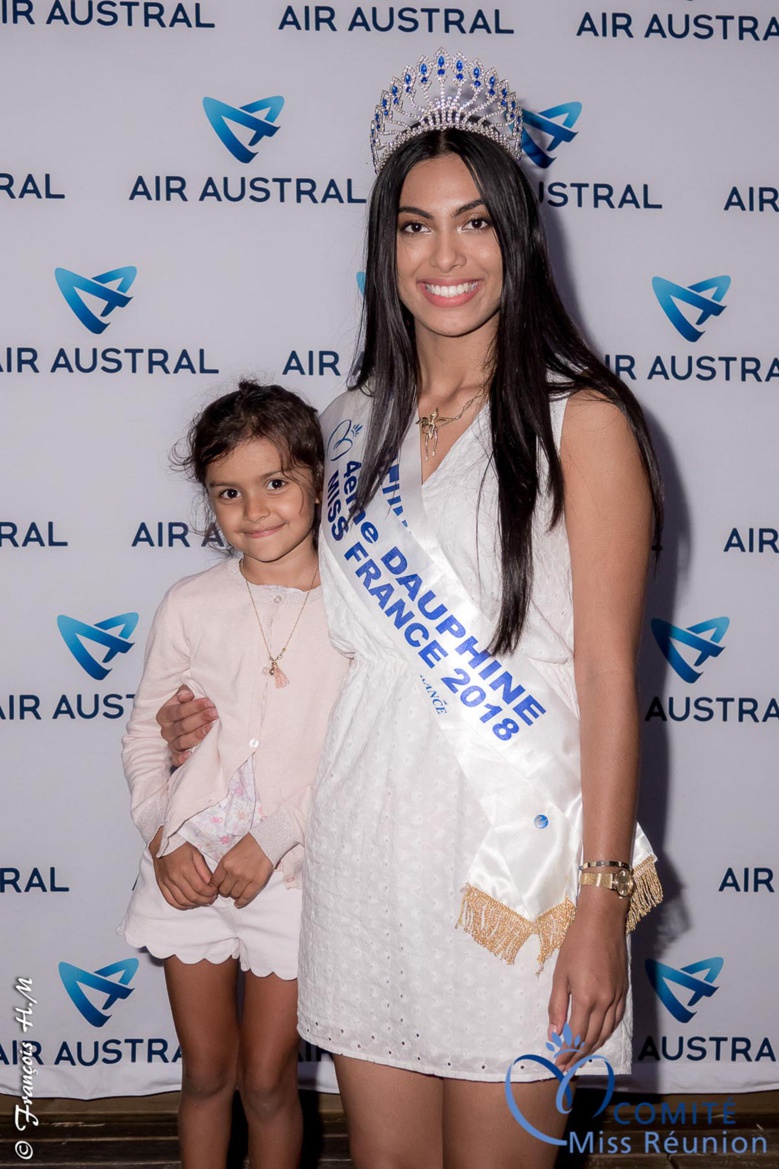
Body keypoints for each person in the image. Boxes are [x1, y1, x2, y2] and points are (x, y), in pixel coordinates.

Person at [159, 52, 663, 1169]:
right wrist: (204, 719)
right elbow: (311, 630)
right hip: (366, 850)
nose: (445, 256)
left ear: (517, 240)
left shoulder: (579, 422)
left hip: (512, 869)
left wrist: (596, 906)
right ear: (382, 246)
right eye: (415, 226)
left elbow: (599, 682)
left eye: (476, 223)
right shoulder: (344, 427)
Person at [119, 382, 350, 1169]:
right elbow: (146, 737)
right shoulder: (190, 602)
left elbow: (356, 760)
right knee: (208, 1072)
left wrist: (275, 837)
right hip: (184, 874)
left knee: (265, 1081)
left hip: (287, 879)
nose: (254, 509)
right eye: (228, 492)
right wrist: (160, 837)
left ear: (317, 479)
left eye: (275, 482)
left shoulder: (358, 610)